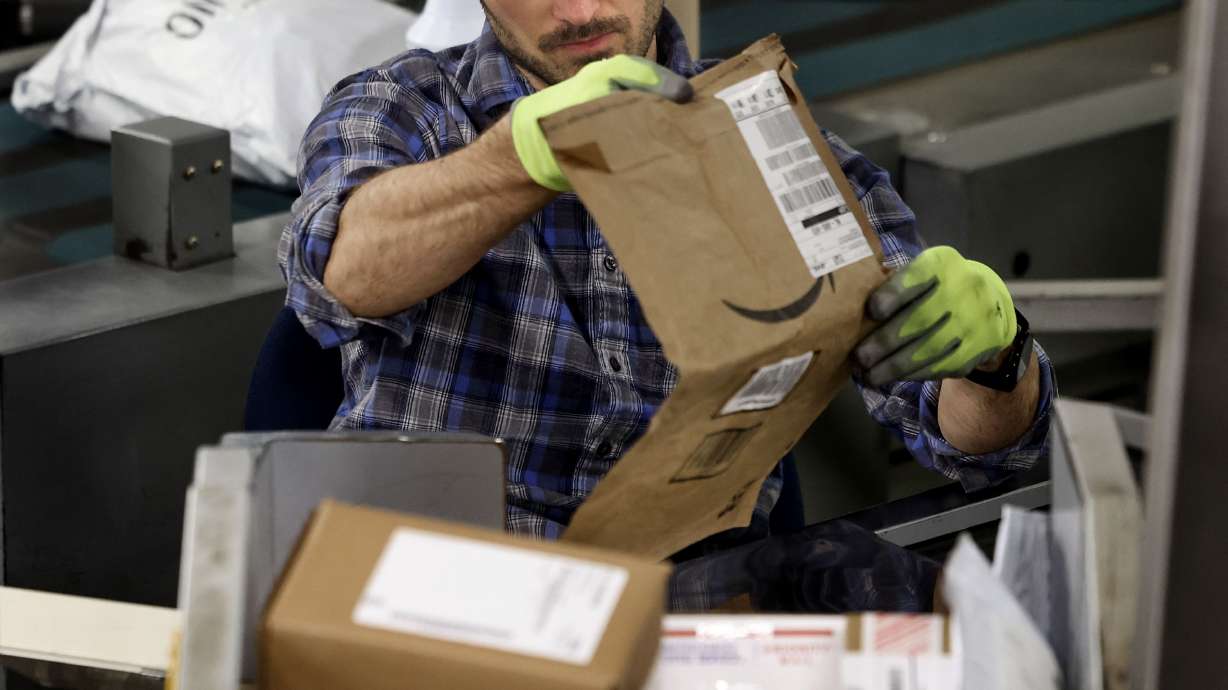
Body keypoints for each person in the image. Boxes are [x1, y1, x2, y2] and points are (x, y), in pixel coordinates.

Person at [279, 1, 1054, 552]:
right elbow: (338, 270)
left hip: (692, 610)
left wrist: (994, 361)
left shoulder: (769, 137)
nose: (579, 10)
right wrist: (518, 158)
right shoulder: (399, 107)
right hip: (441, 591)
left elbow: (981, 448)